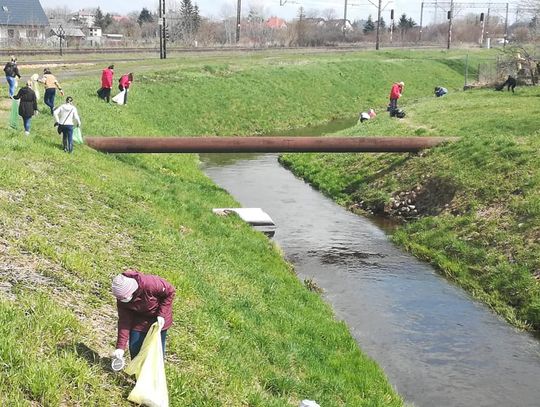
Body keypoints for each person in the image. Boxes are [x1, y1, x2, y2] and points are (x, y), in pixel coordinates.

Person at [111, 269, 175, 363]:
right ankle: (137, 372)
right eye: (120, 299)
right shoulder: (122, 300)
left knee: (156, 350)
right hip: (139, 320)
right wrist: (120, 347)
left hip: (159, 319)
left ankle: (153, 374)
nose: (122, 300)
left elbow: (170, 292)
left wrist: (161, 314)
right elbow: (124, 322)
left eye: (125, 298)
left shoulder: (150, 284)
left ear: (132, 291)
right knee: (134, 346)